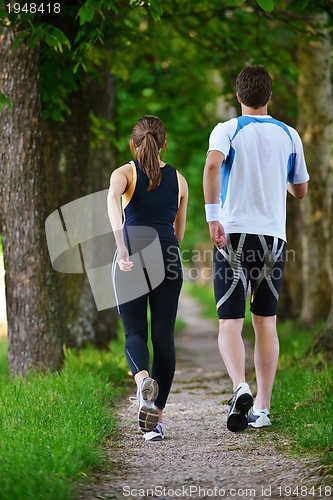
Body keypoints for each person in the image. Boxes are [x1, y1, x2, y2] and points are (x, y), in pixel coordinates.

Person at [203, 65, 309, 432]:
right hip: (272, 239)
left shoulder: (228, 129)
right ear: (270, 96)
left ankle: (239, 386)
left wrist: (213, 216)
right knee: (266, 323)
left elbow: (213, 163)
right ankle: (262, 409)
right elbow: (301, 190)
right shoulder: (290, 134)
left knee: (230, 322)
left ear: (238, 97)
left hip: (232, 234)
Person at [107, 115, 188, 441]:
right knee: (164, 338)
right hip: (168, 256)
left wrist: (122, 246)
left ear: (133, 143)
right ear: (164, 143)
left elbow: (113, 201)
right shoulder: (180, 180)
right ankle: (156, 417)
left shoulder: (124, 173)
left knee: (135, 332)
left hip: (133, 253)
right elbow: (178, 232)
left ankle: (142, 383)